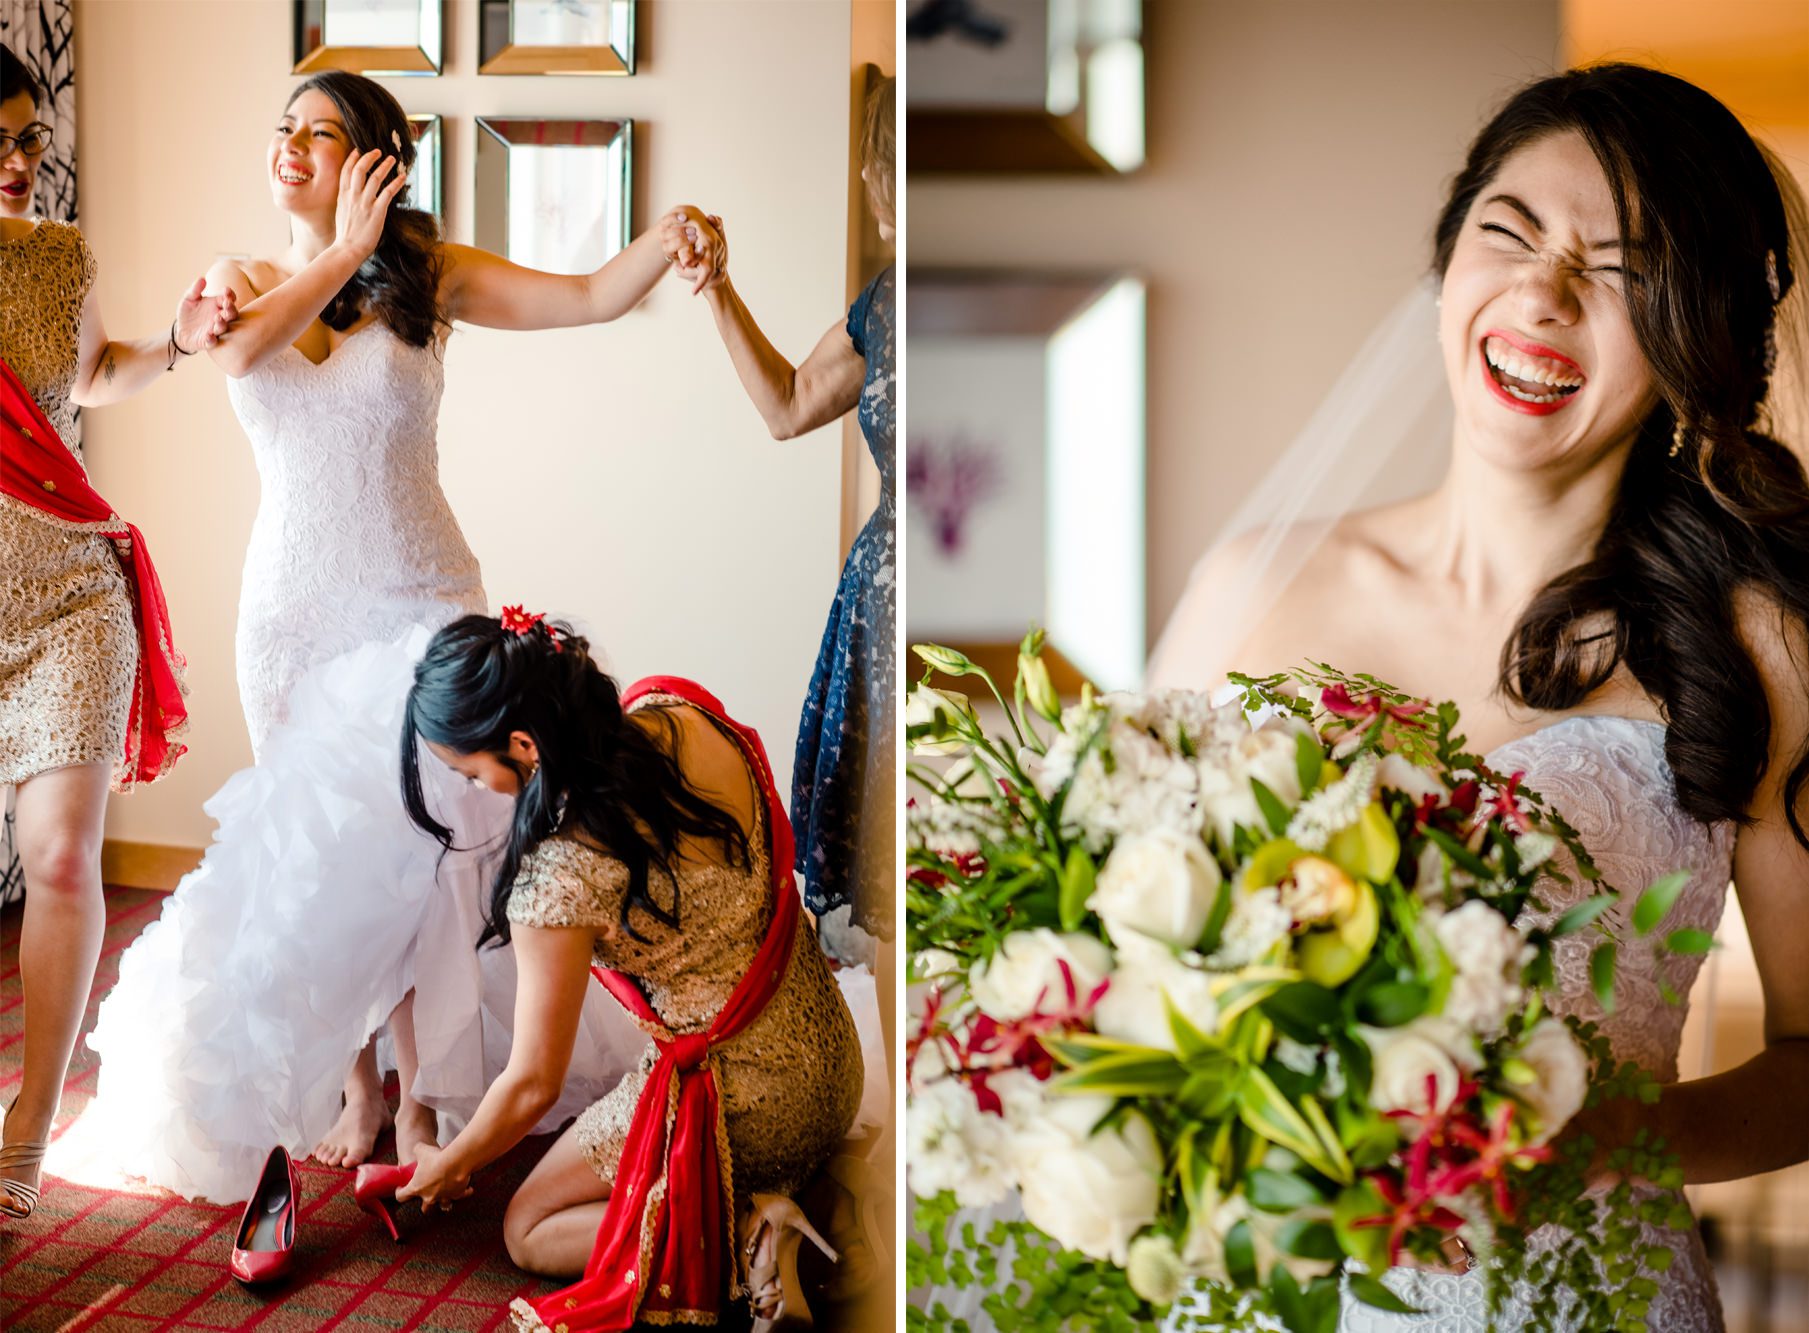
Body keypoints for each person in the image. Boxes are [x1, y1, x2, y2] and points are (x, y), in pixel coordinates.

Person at [1150, 64, 1809, 1331]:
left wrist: (1622, 1135)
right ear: (1448, 264)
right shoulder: (1253, 588)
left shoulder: (1753, 645)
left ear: (1699, 334)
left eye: (1619, 270)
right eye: (1510, 232)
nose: (1544, 292)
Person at [71, 70, 725, 1203]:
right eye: (283, 128)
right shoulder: (238, 282)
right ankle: (358, 1087)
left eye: (320, 134)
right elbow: (236, 355)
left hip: (426, 596)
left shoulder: (422, 275)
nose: (291, 147)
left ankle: (422, 1094)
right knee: (330, 859)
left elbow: (584, 294)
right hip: (295, 611)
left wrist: (663, 242)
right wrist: (345, 244)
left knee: (439, 852)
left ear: (372, 156)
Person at [395, 613, 865, 1331]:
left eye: (472, 770)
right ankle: (824, 1193)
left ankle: (750, 1233)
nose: (481, 789)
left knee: (528, 1224)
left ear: (524, 744)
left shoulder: (557, 874)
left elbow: (531, 1083)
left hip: (739, 1100)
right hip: (829, 1051)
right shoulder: (675, 713)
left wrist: (453, 1161)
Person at [0, 41, 232, 1220]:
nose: (18, 163)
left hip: (68, 598)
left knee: (59, 855)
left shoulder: (60, 256)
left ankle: (29, 1127)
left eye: (29, 138)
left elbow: (89, 377)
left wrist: (181, 340)